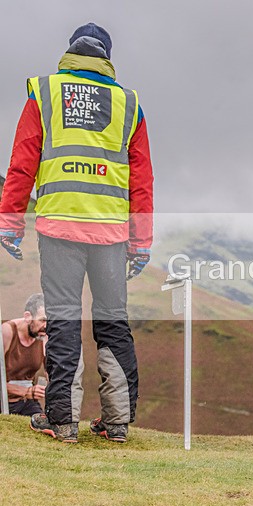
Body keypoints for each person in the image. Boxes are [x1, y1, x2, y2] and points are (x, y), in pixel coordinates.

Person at [0, 23, 154, 443]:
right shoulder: (128, 103)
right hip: (111, 234)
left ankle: (63, 420)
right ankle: (117, 422)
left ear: (70, 52)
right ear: (106, 56)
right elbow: (141, 180)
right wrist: (140, 242)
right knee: (113, 320)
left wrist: (11, 223)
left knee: (64, 318)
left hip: (60, 226)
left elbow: (22, 162)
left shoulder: (45, 92)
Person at [2, 294, 47, 416]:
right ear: (28, 317)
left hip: (28, 402)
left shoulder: (43, 336)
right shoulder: (6, 332)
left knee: (43, 430)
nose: (46, 326)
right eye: (42, 320)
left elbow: (50, 372)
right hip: (4, 402)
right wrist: (27, 391)